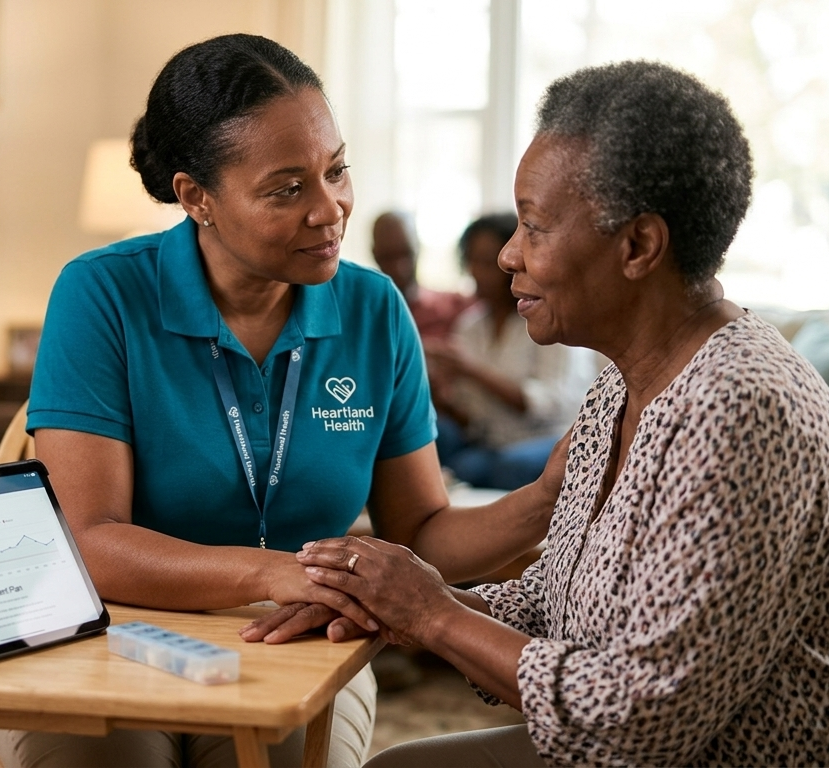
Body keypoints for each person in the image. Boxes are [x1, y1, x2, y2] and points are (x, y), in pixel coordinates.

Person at [0, 34, 559, 768]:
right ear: (196, 196)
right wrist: (273, 571)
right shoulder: (102, 293)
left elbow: (418, 530)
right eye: (286, 189)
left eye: (336, 171)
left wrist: (547, 495)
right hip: (110, 631)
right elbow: (92, 541)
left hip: (296, 642)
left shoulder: (372, 310)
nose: (330, 211)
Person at [283, 60, 829, 766]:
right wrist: (394, 602)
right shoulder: (622, 383)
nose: (508, 254)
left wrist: (434, 613)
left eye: (534, 227)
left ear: (637, 246)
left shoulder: (738, 412)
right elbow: (556, 605)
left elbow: (640, 722)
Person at [426, 213, 591, 490]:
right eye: (471, 260)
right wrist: (433, 391)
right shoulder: (470, 326)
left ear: (513, 261)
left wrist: (470, 370)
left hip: (551, 436)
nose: (477, 271)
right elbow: (473, 420)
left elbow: (545, 404)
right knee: (442, 445)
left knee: (510, 465)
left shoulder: (551, 318)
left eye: (487, 262)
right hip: (494, 442)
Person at [370, 211, 474, 340]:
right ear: (375, 255)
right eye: (388, 257)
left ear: (417, 248)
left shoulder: (453, 307)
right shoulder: (363, 315)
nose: (399, 268)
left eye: (406, 254)